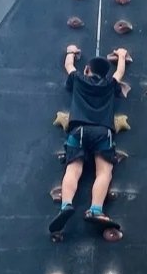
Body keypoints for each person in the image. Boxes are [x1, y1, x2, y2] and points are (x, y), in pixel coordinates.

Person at [49, 44, 129, 235]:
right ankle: (95, 209)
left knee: (73, 169)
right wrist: (121, 56)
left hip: (78, 130)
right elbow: (119, 73)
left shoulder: (78, 79)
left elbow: (69, 65)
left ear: (87, 69)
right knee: (104, 172)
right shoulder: (109, 84)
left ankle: (66, 205)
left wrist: (71, 51)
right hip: (102, 131)